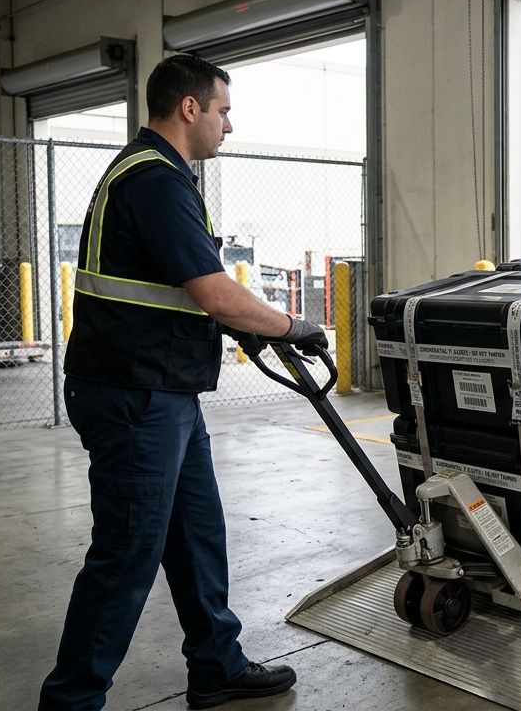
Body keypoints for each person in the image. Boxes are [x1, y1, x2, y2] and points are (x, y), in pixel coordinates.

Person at [39, 54, 324, 710]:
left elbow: (175, 291)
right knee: (128, 554)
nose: (229, 124)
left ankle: (216, 665)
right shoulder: (157, 182)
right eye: (223, 110)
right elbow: (215, 294)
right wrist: (289, 325)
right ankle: (71, 702)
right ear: (190, 108)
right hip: (136, 394)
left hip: (160, 389)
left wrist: (248, 324)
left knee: (195, 533)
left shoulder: (153, 174)